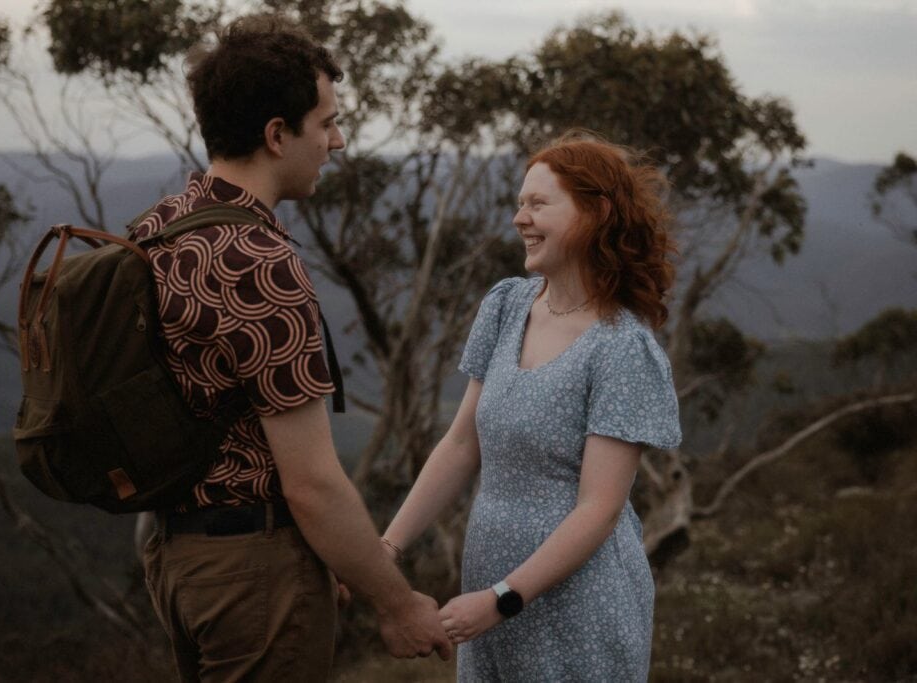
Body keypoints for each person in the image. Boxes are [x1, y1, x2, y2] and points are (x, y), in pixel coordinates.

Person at [133, 16, 451, 682]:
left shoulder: (159, 226)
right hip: (253, 567)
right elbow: (310, 481)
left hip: (172, 554)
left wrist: (334, 557)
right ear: (277, 135)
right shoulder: (258, 260)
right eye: (326, 122)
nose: (337, 140)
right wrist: (396, 603)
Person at [381, 132, 682, 681]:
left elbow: (600, 508)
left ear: (597, 213)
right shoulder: (507, 305)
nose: (520, 218)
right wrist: (388, 547)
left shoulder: (621, 346)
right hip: (490, 594)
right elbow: (460, 444)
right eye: (520, 203)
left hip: (578, 604)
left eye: (539, 204)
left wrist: (501, 599)